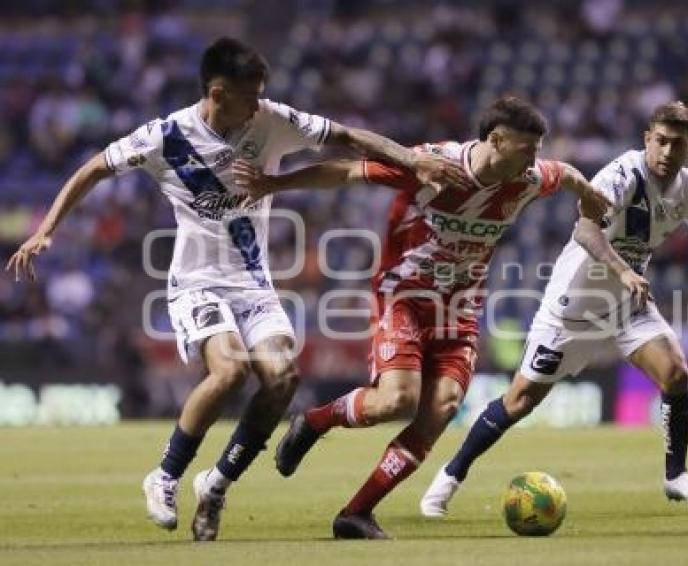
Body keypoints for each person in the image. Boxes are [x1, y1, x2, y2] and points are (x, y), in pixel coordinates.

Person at [6, 37, 469, 542]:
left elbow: (348, 136)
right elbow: (94, 167)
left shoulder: (269, 118)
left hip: (253, 285)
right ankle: (165, 475)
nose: (259, 105)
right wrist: (47, 228)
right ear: (219, 92)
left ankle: (218, 482)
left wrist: (409, 159)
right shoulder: (166, 136)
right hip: (197, 283)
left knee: (283, 378)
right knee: (230, 371)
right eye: (250, 97)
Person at [234, 95, 613, 539]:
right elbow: (346, 172)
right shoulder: (435, 166)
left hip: (460, 308)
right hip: (406, 296)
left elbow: (565, 174)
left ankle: (355, 514)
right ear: (496, 139)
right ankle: (316, 421)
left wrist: (589, 195)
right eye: (527, 148)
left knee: (442, 408)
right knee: (396, 401)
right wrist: (272, 185)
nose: (535, 159)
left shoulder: (529, 178)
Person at [419, 101, 688, 518]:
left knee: (677, 374)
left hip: (627, 304)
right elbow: (586, 230)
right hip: (571, 307)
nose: (666, 152)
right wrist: (624, 270)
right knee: (520, 401)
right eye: (660, 141)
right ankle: (448, 477)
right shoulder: (622, 174)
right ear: (647, 139)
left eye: (676, 144)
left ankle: (676, 474)